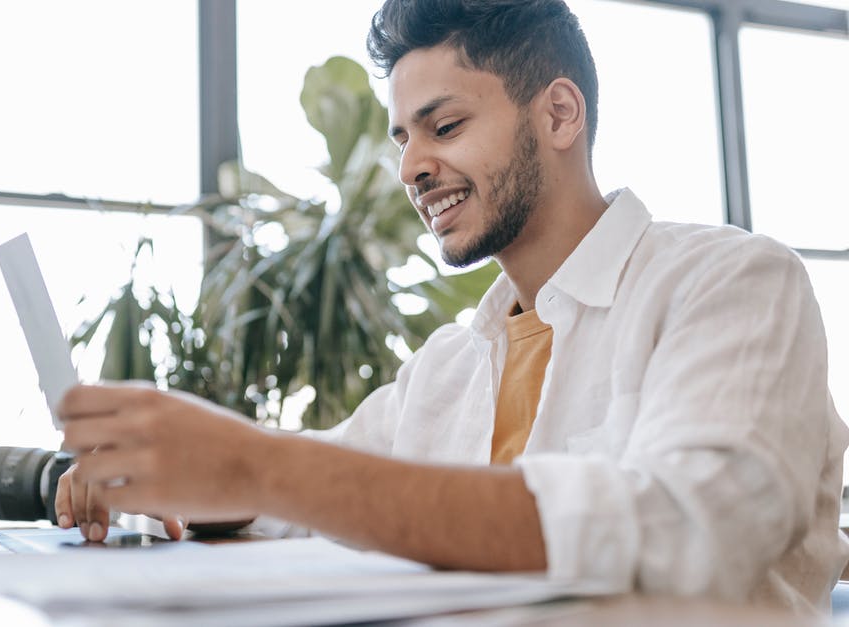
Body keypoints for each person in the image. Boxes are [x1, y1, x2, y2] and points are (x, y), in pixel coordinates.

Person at [53, 0, 849, 610]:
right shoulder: (448, 366)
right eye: (404, 138)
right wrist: (170, 478)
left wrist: (259, 466)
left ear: (559, 114)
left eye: (445, 125)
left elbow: (689, 525)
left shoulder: (732, 284)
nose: (412, 168)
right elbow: (300, 500)